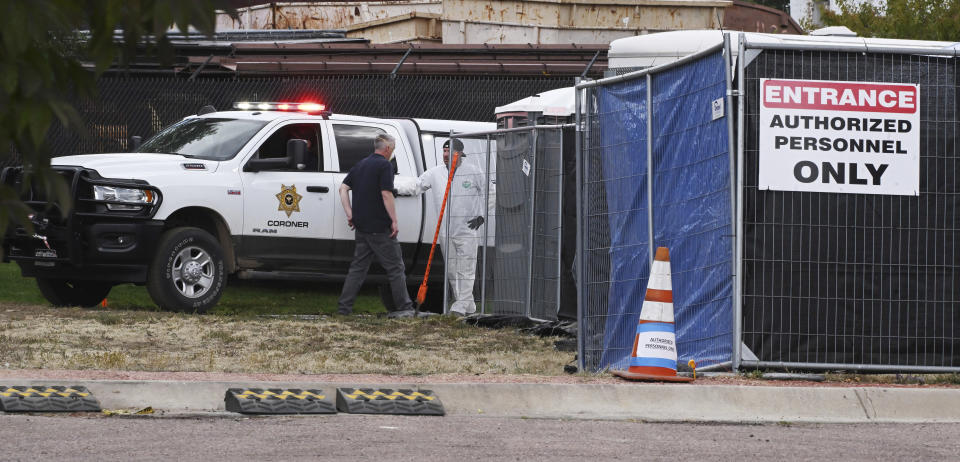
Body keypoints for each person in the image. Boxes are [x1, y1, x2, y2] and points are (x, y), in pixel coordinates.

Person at [404, 138, 493, 316]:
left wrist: (482, 216)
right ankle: (466, 306)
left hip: (467, 230)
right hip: (445, 230)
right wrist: (394, 187)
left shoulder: (473, 172)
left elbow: (491, 193)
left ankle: (460, 307)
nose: (446, 155)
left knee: (466, 268)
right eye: (444, 151)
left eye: (449, 152)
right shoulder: (435, 173)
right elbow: (416, 186)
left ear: (459, 153)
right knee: (452, 269)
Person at [337, 133, 418, 318]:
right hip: (380, 227)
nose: (392, 153)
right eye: (393, 149)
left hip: (362, 227)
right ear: (387, 148)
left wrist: (350, 213)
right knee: (396, 268)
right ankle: (405, 308)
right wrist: (394, 221)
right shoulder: (384, 165)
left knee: (358, 269)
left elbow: (343, 188)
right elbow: (386, 193)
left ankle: (344, 309)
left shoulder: (361, 164)